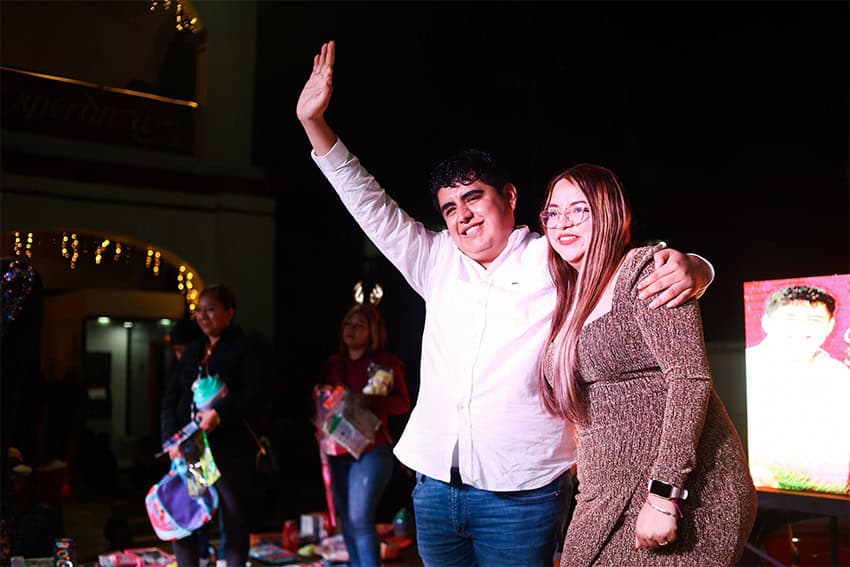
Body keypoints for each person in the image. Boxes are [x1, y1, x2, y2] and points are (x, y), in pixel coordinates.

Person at [297, 41, 713, 565]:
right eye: (450, 208)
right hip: (431, 486)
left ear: (510, 198)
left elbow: (625, 261)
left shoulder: (555, 257)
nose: (463, 216)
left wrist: (697, 267)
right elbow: (368, 204)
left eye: (474, 198)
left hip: (524, 492)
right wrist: (316, 126)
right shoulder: (433, 259)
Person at [538, 164, 756, 565]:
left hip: (681, 491)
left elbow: (689, 378)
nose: (562, 223)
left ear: (609, 212)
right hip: (604, 493)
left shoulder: (644, 270)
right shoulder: (569, 293)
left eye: (579, 209)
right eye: (552, 212)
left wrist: (663, 494)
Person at [161, 286, 264, 567]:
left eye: (210, 309)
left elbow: (256, 394)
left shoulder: (245, 348)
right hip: (192, 447)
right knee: (188, 516)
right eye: (199, 310)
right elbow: (172, 397)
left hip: (229, 448)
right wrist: (171, 440)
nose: (203, 316)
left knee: (233, 517)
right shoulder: (193, 350)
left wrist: (221, 412)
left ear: (229, 313)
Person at [317, 302, 411, 567]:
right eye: (348, 324)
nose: (352, 330)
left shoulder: (385, 364)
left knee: (360, 519)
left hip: (370, 451)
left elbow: (403, 403)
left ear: (374, 332)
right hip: (336, 450)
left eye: (360, 326)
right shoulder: (333, 364)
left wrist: (370, 401)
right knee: (346, 520)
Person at [746, 285, 850, 494]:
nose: (802, 330)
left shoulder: (840, 375)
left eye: (814, 321)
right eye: (791, 319)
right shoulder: (748, 364)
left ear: (830, 325)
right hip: (758, 494)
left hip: (827, 499)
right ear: (767, 322)